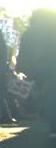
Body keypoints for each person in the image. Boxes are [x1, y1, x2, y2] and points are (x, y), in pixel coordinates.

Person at [16, 8, 56, 138]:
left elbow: (23, 51)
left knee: (48, 95)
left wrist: (22, 68)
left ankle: (52, 125)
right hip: (51, 66)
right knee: (51, 94)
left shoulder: (30, 32)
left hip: (39, 69)